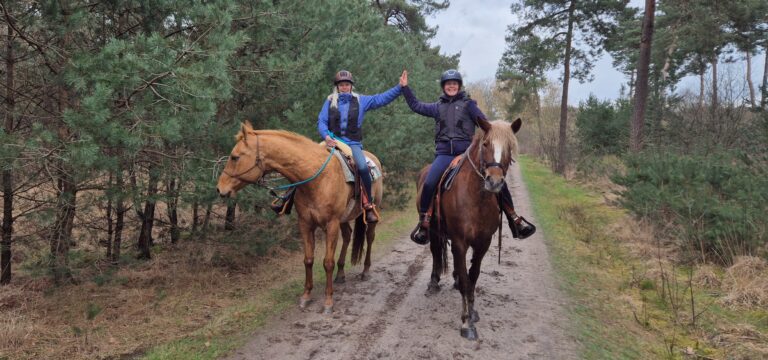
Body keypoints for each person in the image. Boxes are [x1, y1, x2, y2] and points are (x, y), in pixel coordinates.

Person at [399, 69, 536, 244]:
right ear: (443, 87)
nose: (451, 86)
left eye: (454, 84)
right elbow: (416, 106)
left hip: (466, 153)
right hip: (444, 154)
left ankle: (514, 219)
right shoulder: (436, 107)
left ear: (459, 86)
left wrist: (503, 131)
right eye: (448, 84)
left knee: (498, 182)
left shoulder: (469, 105)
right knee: (429, 182)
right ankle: (424, 222)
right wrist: (405, 88)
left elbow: (487, 125)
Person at [316, 70, 402, 223]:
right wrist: (326, 136)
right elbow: (322, 121)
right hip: (332, 141)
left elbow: (380, 99)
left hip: (352, 144)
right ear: (337, 87)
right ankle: (288, 198)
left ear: (351, 86)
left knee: (362, 167)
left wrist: (399, 87)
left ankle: (368, 204)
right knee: (309, 161)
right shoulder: (329, 101)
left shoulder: (361, 100)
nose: (344, 87)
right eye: (341, 85)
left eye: (347, 84)